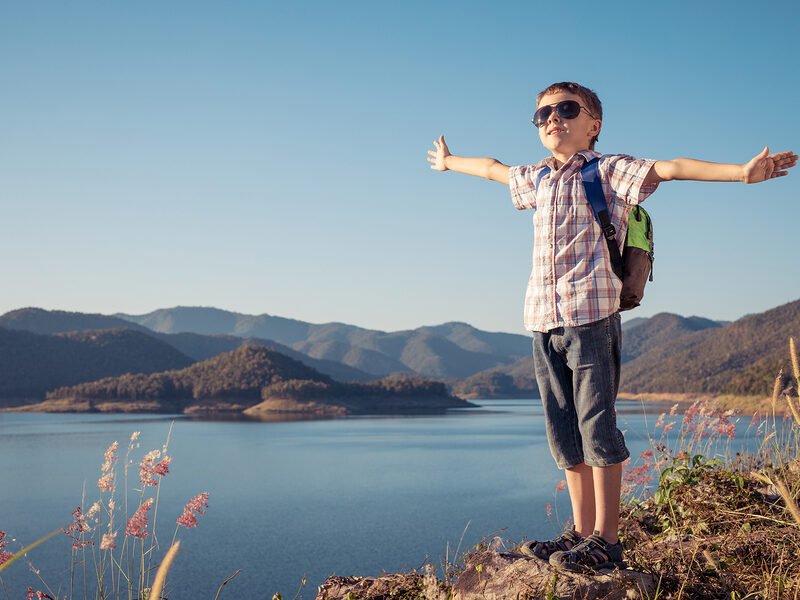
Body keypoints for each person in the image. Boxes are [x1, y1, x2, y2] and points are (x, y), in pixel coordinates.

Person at [426, 81, 797, 574]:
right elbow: (493, 168)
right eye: (542, 115)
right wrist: (450, 162)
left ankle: (608, 539)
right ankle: (578, 532)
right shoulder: (536, 179)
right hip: (542, 323)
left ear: (592, 125)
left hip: (591, 320)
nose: (552, 119)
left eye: (566, 110)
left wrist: (742, 174)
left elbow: (670, 168)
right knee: (565, 436)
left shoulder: (607, 170)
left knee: (597, 428)